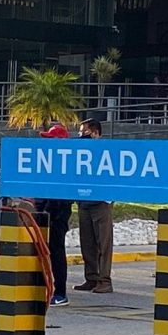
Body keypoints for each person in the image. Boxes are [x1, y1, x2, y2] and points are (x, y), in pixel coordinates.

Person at [34, 122, 73, 305]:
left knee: (56, 253)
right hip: (43, 212)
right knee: (44, 253)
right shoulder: (48, 161)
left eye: (51, 140)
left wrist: (48, 212)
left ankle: (60, 292)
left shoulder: (65, 165)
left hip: (57, 214)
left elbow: (61, 195)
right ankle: (48, 289)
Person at [74, 118, 114, 294]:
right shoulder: (80, 153)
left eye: (85, 132)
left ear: (96, 133)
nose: (81, 136)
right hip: (84, 202)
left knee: (103, 244)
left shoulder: (107, 152)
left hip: (101, 202)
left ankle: (105, 280)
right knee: (87, 243)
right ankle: (91, 277)